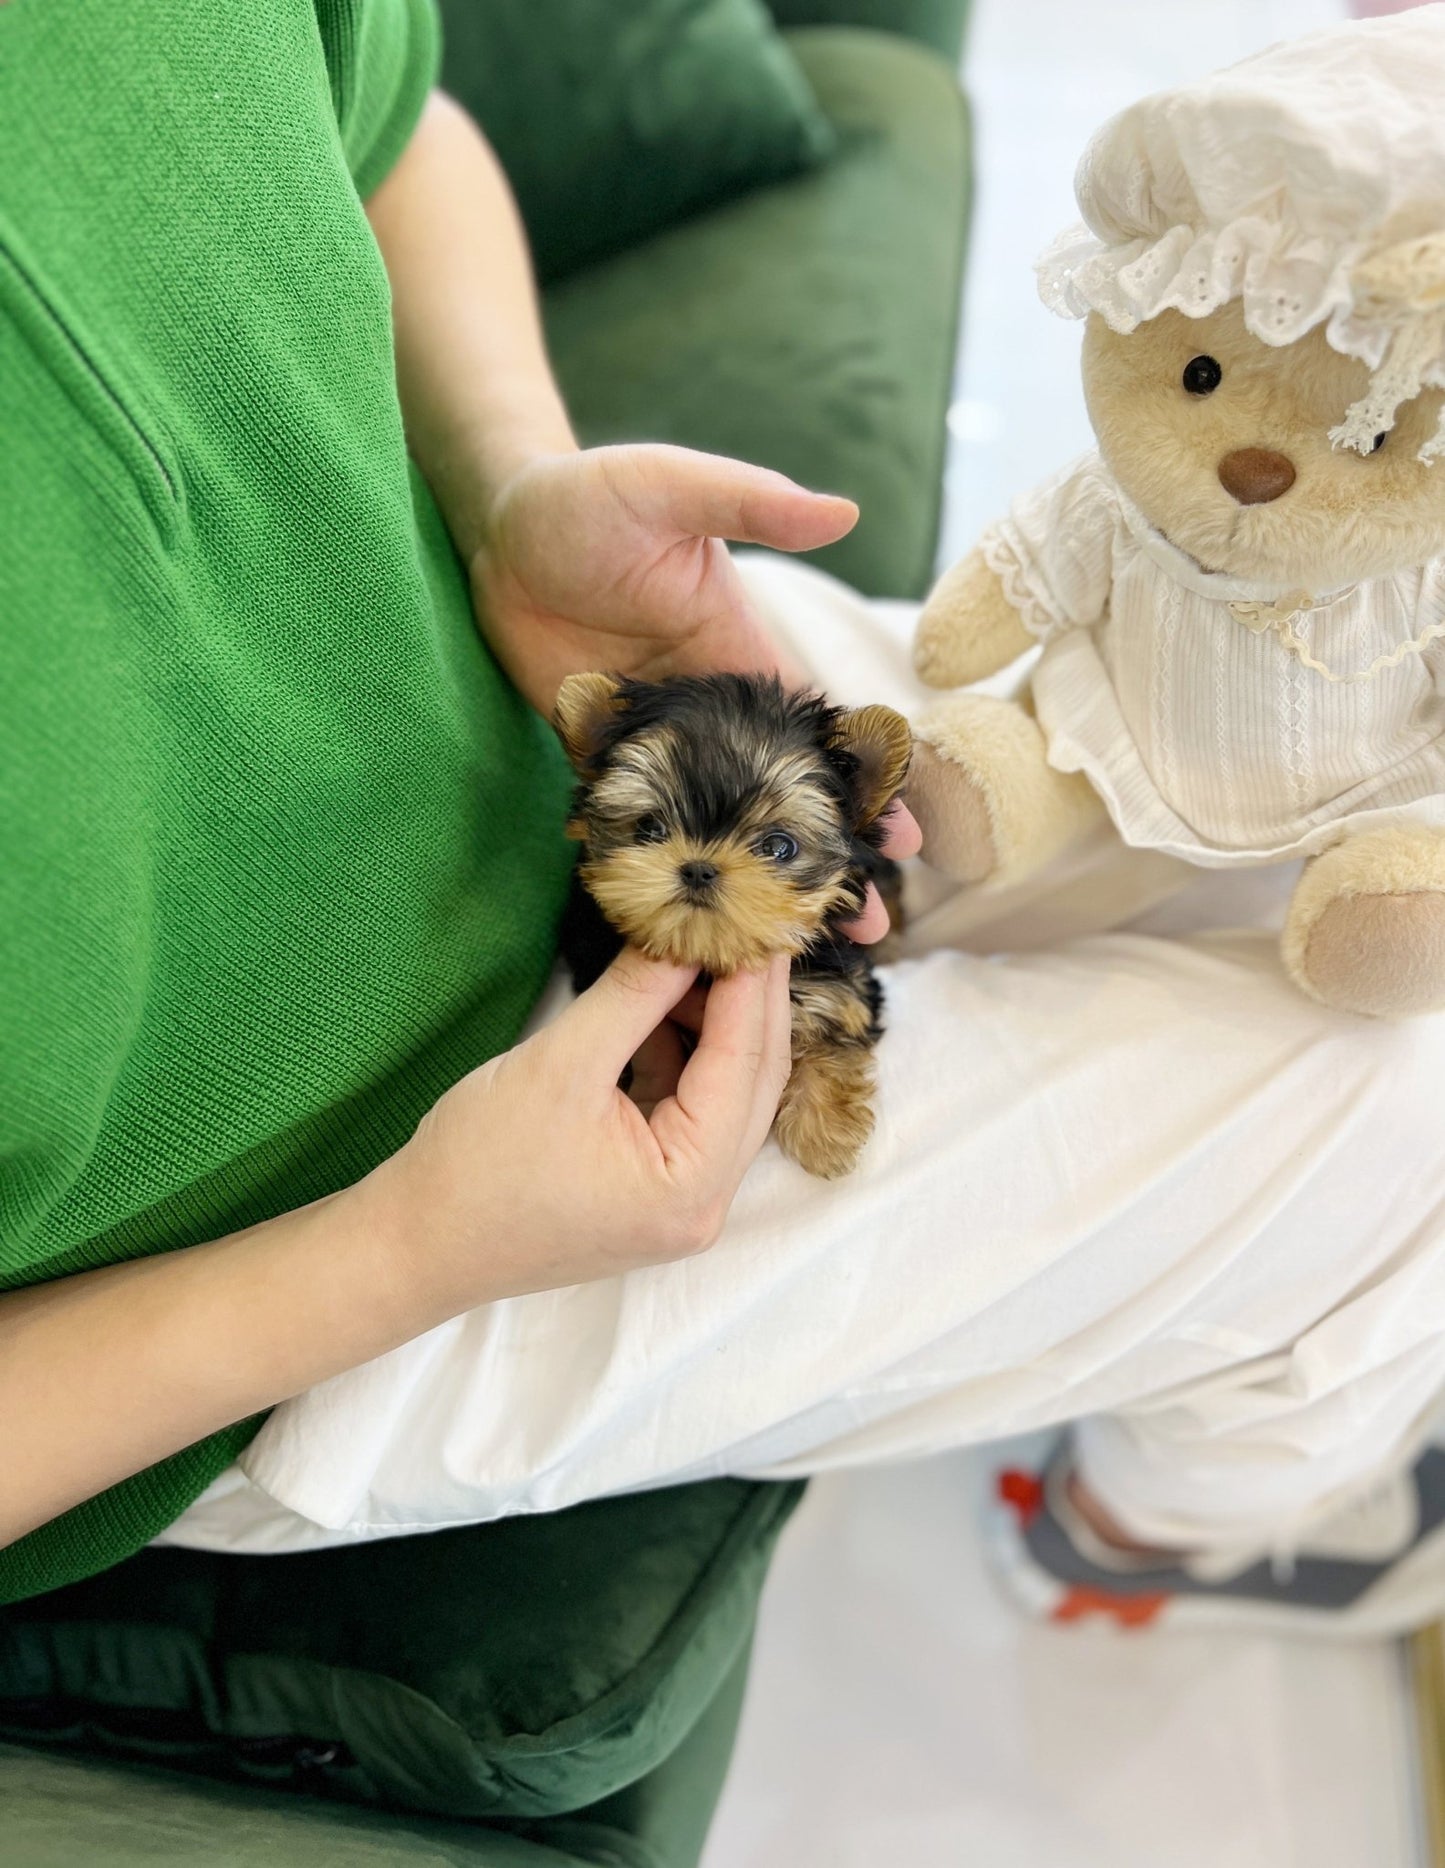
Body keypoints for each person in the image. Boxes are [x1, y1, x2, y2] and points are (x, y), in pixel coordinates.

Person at [6, 0, 1445, 1638]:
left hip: (530, 707)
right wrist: (400, 1254)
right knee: (1406, 1138)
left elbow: (391, 129)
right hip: (298, 1234)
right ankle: (1127, 1537)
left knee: (1212, 826)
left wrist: (510, 494)